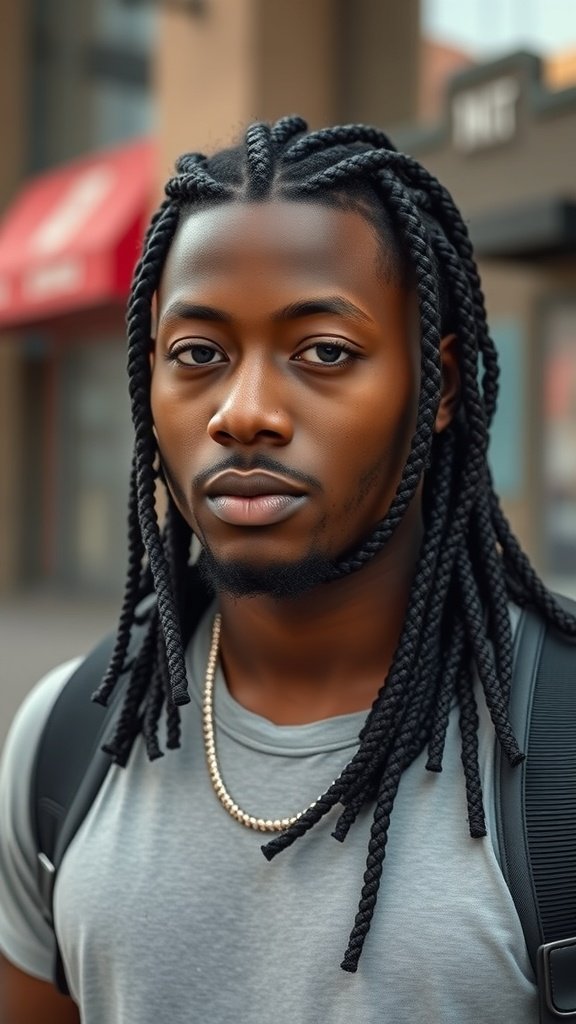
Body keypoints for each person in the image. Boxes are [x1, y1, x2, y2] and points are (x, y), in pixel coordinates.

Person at [0, 116, 574, 1024]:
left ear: (441, 387)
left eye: (324, 353)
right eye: (199, 355)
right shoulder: (68, 741)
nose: (246, 412)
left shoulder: (559, 748)